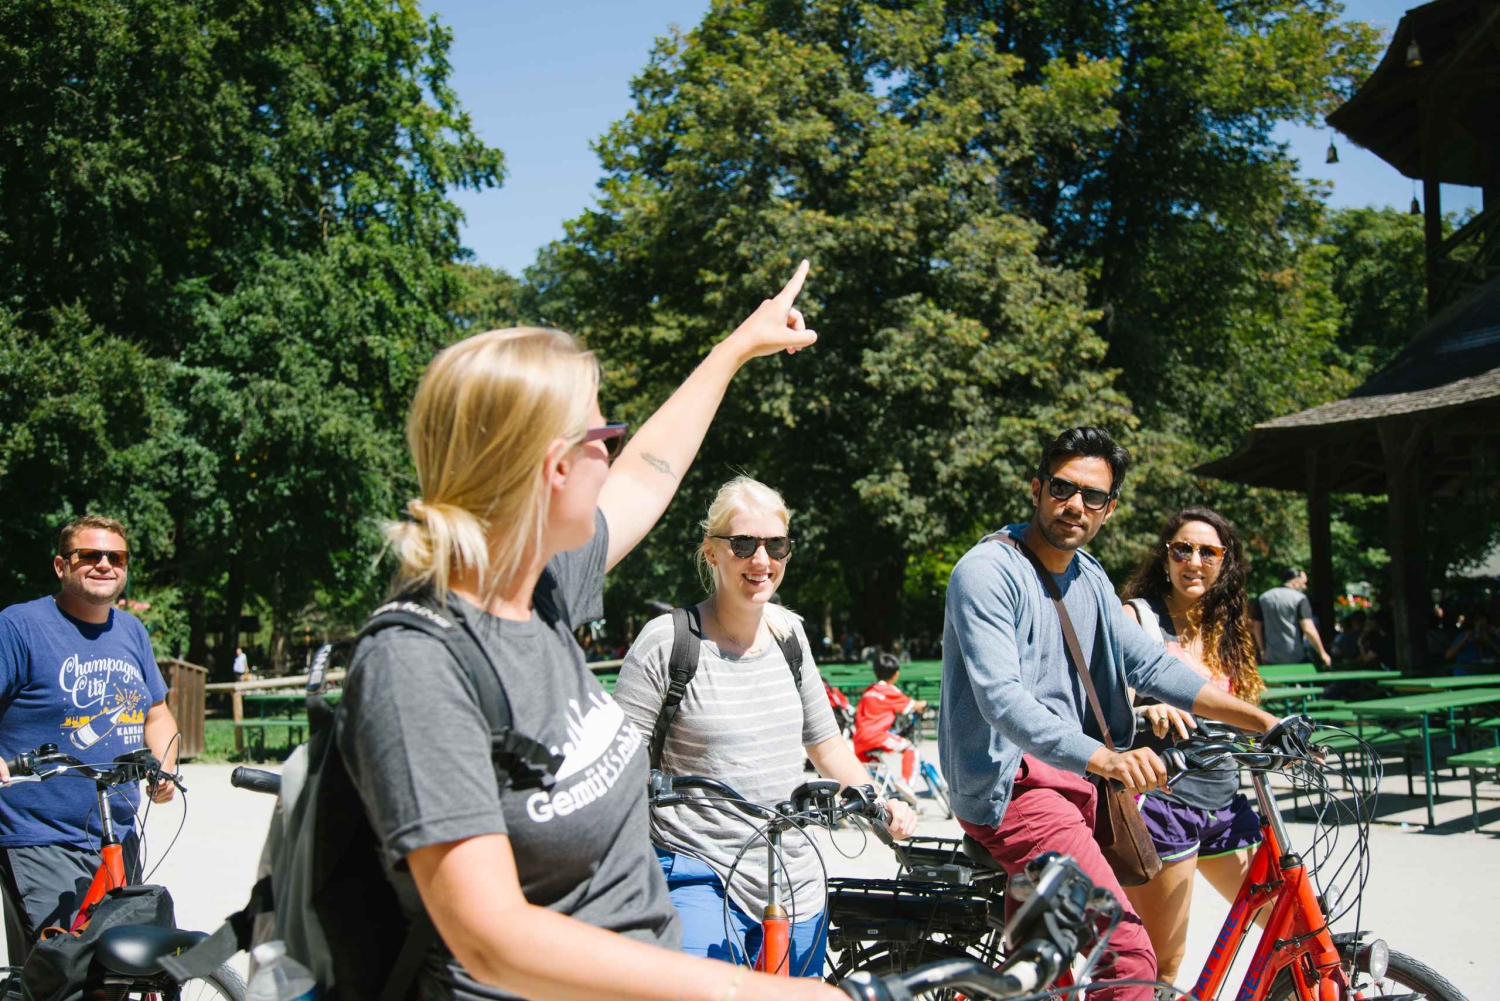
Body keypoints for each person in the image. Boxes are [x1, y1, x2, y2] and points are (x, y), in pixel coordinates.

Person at [339, 263, 843, 1001]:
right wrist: (741, 991)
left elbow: (650, 471)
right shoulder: (416, 662)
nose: (616, 449)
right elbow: (491, 938)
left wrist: (737, 347)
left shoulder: (543, 582)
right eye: (604, 430)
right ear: (553, 466)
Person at [939, 427, 1281, 1001]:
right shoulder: (987, 571)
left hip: (1078, 782)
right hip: (1017, 791)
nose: (1075, 505)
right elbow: (1002, 698)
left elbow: (1152, 665)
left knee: (1041, 970)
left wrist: (1263, 722)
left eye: (1093, 496)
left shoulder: (1089, 575)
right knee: (1129, 957)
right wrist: (1108, 758)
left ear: (1109, 509)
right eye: (1062, 488)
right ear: (1036, 488)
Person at [613, 476, 918, 976]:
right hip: (696, 872)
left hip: (794, 875)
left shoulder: (789, 636)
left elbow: (826, 745)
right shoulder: (667, 642)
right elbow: (618, 769)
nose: (761, 561)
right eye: (743, 544)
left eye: (775, 545)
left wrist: (876, 800)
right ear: (712, 552)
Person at [0, 516, 180, 964]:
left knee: (120, 967)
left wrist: (167, 771)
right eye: (90, 556)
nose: (104, 565)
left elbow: (156, 714)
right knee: (61, 969)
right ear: (61, 565)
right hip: (38, 835)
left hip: (116, 835)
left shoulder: (131, 631)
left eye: (116, 557)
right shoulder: (20, 626)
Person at [1119, 508, 1268, 988]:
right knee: (1165, 965)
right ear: (1166, 558)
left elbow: (1235, 713)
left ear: (1226, 563)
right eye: (1183, 548)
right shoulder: (1139, 618)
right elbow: (1097, 711)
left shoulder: (1227, 629)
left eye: (1209, 551)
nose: (1194, 560)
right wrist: (1144, 713)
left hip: (1224, 801)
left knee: (1293, 928)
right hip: (1165, 804)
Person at [853, 653, 928, 793]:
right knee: (910, 748)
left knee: (874, 772)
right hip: (877, 736)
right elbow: (912, 705)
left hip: (859, 740)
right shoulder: (889, 690)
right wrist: (924, 704)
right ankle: (905, 783)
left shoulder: (869, 691)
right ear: (896, 673)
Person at [1251, 568, 1331, 667]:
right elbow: (1308, 628)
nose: (1305, 587)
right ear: (1295, 582)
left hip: (1271, 656)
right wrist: (1322, 653)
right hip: (1295, 656)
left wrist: (1262, 650)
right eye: (1303, 583)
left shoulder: (1263, 598)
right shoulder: (1300, 598)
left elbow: (1256, 626)